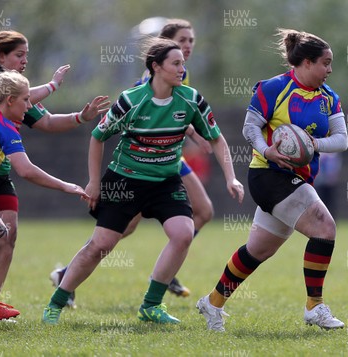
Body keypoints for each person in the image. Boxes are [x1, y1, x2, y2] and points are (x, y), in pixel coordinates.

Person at [41, 37, 244, 325]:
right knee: (101, 245)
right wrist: (94, 183)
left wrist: (231, 178)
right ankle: (56, 302)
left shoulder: (191, 99)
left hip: (166, 181)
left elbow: (218, 139)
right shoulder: (130, 100)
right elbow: (97, 137)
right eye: (176, 63)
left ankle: (151, 305)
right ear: (156, 67)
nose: (182, 69)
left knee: (183, 233)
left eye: (183, 64)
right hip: (125, 180)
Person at [196, 28, 348, 332]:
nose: (330, 70)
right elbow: (250, 126)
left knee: (258, 250)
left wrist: (314, 144)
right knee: (324, 228)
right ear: (305, 62)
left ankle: (212, 303)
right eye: (325, 63)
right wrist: (267, 150)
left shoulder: (329, 98)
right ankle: (314, 307)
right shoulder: (273, 88)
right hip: (267, 175)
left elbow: (341, 140)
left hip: (298, 179)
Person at [49, 18, 211, 302]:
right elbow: (134, 117)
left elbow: (178, 112)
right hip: (143, 162)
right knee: (118, 232)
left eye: (191, 41)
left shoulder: (183, 76)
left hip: (169, 157)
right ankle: (68, 275)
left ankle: (166, 267)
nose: (187, 46)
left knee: (203, 211)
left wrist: (194, 134)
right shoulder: (149, 82)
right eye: (182, 40)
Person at [0, 30, 109, 310]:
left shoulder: (11, 102)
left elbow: (45, 122)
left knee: (2, 233)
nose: (24, 61)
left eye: (26, 56)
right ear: (1, 57)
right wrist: (66, 186)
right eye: (19, 55)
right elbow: (28, 170)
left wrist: (81, 117)